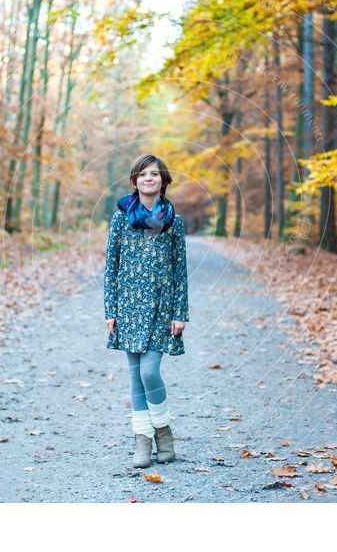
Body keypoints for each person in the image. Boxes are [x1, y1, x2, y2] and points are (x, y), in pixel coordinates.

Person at [103, 154, 189, 468]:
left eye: (154, 174)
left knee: (150, 372)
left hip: (162, 308)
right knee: (135, 377)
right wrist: (110, 310)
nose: (148, 179)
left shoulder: (174, 222)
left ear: (163, 181)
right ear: (135, 181)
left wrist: (180, 312)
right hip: (128, 308)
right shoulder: (121, 219)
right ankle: (143, 440)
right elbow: (111, 267)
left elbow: (180, 270)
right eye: (142, 174)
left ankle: (163, 431)